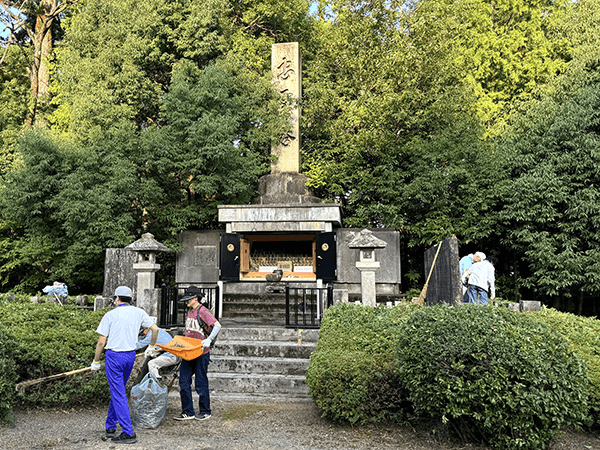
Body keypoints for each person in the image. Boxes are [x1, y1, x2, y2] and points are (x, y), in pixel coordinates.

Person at [90, 286, 159, 445]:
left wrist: (96, 361)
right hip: (130, 356)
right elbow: (154, 329)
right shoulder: (139, 312)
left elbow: (101, 342)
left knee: (118, 393)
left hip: (114, 357)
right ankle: (110, 426)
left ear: (117, 299)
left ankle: (128, 432)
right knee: (118, 391)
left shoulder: (110, 315)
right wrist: (151, 346)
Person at [174, 286, 221, 421]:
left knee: (201, 383)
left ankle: (205, 410)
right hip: (188, 352)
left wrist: (209, 339)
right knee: (184, 382)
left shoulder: (203, 311)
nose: (186, 301)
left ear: (195, 298)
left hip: (201, 352)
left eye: (189, 299)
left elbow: (217, 325)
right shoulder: (190, 311)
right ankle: (187, 411)